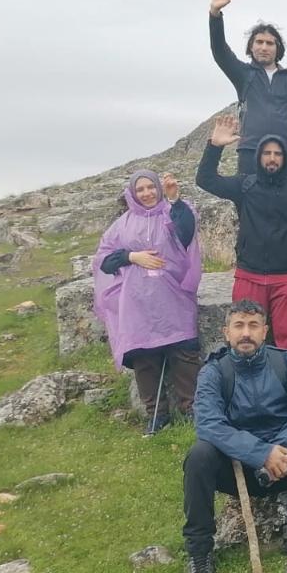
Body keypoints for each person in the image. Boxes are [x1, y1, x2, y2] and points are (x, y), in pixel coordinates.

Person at [182, 300, 287, 571]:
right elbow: (208, 423)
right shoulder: (214, 372)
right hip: (238, 468)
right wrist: (261, 454)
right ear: (226, 332)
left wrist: (281, 447)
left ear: (265, 331)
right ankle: (199, 551)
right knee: (198, 455)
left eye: (253, 325)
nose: (246, 333)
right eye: (238, 325)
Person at [196, 115, 287, 354]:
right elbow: (205, 179)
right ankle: (246, 389)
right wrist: (215, 145)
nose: (272, 158)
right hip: (249, 276)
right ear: (258, 157)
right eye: (267, 153)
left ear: (285, 158)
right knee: (245, 340)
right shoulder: (245, 186)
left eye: (277, 153)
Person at [93, 170, 202, 436]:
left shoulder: (173, 212)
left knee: (184, 352)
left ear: (159, 188)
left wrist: (175, 199)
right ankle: (156, 415)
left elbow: (187, 232)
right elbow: (104, 260)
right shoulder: (122, 225)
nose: (147, 193)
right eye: (140, 190)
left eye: (151, 187)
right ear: (132, 194)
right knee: (144, 357)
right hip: (137, 301)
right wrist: (132, 256)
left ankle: (192, 409)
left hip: (173, 296)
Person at [208, 0, 287, 177]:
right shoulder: (243, 74)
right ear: (251, 47)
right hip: (250, 152)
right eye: (259, 42)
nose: (264, 47)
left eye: (269, 43)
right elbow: (220, 51)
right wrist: (215, 14)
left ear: (277, 48)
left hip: (286, 153)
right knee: (249, 205)